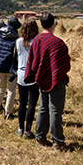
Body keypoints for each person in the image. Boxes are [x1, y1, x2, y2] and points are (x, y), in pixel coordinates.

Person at [24, 12, 71, 151]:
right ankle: (57, 142)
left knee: (43, 108)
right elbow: (65, 64)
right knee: (55, 110)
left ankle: (40, 137)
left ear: (41, 24)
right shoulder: (57, 42)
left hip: (41, 79)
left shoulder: (36, 40)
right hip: (55, 80)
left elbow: (32, 61)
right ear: (53, 24)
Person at [15, 18, 40, 139]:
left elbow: (16, 57)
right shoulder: (37, 42)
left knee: (22, 103)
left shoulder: (18, 41)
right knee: (31, 104)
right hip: (33, 75)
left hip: (21, 74)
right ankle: (28, 130)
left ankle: (20, 128)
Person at [0, 16, 20, 119]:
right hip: (10, 67)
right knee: (11, 90)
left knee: (0, 88)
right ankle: (8, 113)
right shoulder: (16, 39)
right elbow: (17, 55)